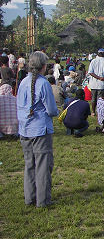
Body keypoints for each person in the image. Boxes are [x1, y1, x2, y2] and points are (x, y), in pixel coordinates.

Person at [17, 51, 58, 208]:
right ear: (43, 66)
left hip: (25, 129)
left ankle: (30, 198)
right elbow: (52, 110)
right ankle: (43, 201)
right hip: (40, 130)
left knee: (30, 165)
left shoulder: (22, 83)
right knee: (43, 166)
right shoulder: (43, 83)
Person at [87, 48, 104, 115]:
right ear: (103, 54)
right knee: (100, 100)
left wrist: (97, 77)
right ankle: (99, 112)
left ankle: (93, 112)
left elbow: (90, 72)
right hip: (102, 84)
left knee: (93, 99)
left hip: (93, 83)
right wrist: (102, 80)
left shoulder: (93, 61)